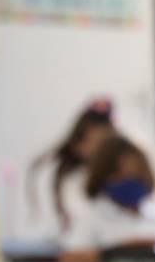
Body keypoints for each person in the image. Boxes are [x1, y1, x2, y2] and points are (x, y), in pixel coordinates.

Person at [59, 134, 155, 262]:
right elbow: (68, 258)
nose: (130, 179)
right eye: (121, 174)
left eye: (136, 174)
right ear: (103, 176)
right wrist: (121, 251)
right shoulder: (91, 214)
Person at [29, 98, 114, 237]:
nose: (96, 148)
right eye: (90, 141)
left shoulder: (124, 178)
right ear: (77, 144)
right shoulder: (72, 180)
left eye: (102, 141)